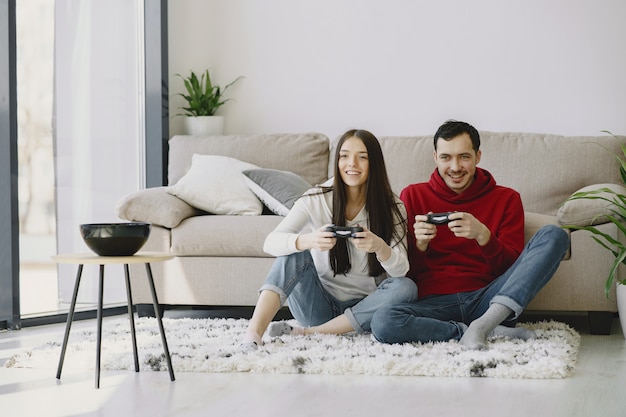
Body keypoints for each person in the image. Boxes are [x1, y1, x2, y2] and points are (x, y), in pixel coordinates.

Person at [370, 120, 570, 350]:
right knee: (383, 321)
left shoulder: (507, 199)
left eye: (464, 157)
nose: (455, 167)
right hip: (432, 304)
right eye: (446, 157)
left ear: (478, 156)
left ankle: (486, 323)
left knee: (554, 235)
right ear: (435, 157)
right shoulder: (413, 195)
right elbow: (403, 275)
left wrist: (484, 236)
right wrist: (421, 245)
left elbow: (515, 271)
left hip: (488, 299)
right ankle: (475, 330)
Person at [241, 129, 417, 351]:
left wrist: (380, 247)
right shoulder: (317, 197)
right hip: (318, 307)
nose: (351, 164)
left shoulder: (392, 206)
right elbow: (271, 243)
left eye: (362, 157)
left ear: (374, 163)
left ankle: (310, 334)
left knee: (406, 287)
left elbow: (401, 271)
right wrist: (309, 240)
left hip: (363, 309)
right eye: (344, 156)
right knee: (293, 251)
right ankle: (253, 334)